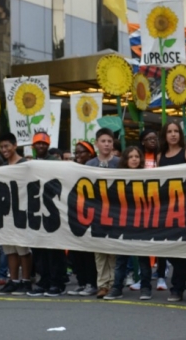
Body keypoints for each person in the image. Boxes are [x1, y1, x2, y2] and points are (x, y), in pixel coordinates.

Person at [104, 146, 154, 301]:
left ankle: (145, 288)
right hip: (123, 222)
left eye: (137, 156)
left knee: (143, 259)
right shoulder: (117, 177)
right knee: (121, 259)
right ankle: (117, 288)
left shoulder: (148, 177)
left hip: (142, 222)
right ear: (125, 159)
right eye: (131, 156)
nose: (134, 159)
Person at [158, 122, 186, 302]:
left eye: (176, 131)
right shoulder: (160, 157)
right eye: (169, 132)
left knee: (182, 248)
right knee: (168, 248)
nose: (173, 134)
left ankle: (177, 288)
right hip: (168, 208)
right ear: (164, 135)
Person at [27, 132, 66, 297]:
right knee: (39, 250)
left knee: (53, 250)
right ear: (33, 146)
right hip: (36, 210)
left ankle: (56, 282)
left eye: (43, 144)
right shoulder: (30, 164)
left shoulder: (55, 162)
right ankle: (44, 281)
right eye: (38, 143)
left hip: (52, 210)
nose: (41, 146)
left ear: (48, 146)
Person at [0, 133, 34, 296]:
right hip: (6, 211)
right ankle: (14, 280)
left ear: (15, 145)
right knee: (9, 248)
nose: (4, 149)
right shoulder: (3, 167)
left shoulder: (25, 164)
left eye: (7, 146)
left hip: (22, 211)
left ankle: (26, 281)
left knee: (23, 248)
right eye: (2, 147)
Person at [86, 128, 120, 299]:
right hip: (97, 213)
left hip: (115, 212)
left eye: (109, 141)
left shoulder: (120, 163)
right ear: (97, 143)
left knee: (113, 250)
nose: (107, 144)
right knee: (99, 251)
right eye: (103, 141)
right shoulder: (89, 165)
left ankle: (114, 284)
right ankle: (102, 284)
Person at [67, 141, 99, 297]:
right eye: (76, 153)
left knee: (88, 253)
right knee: (77, 251)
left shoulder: (95, 169)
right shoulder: (72, 170)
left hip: (91, 215)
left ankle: (91, 283)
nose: (78, 155)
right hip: (75, 214)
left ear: (90, 154)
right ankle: (81, 282)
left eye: (82, 152)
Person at [137, 129, 167, 290]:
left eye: (155, 138)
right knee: (143, 243)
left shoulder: (161, 156)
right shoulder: (138, 157)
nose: (153, 141)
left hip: (159, 205)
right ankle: (143, 278)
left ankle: (161, 276)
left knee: (160, 243)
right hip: (142, 206)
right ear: (142, 142)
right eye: (149, 139)